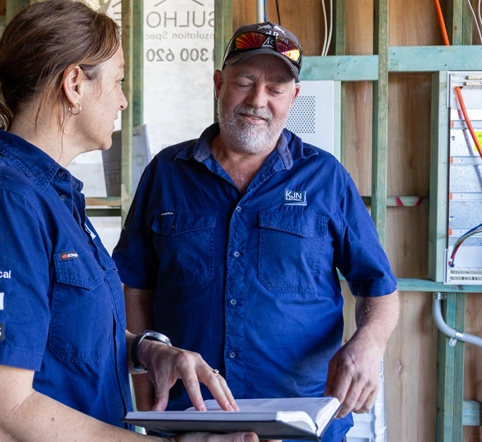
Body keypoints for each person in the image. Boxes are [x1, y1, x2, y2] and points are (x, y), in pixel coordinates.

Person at [0, 0, 257, 442]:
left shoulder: (51, 196)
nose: (122, 99)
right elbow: (1, 418)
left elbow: (61, 336)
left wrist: (146, 350)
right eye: (117, 81)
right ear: (74, 83)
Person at [113, 22, 400, 442]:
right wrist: (148, 394)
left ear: (294, 98)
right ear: (218, 83)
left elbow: (379, 287)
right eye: (244, 82)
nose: (257, 100)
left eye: (276, 88)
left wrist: (370, 342)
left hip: (302, 423)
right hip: (192, 421)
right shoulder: (165, 174)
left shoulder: (325, 178)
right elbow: (135, 287)